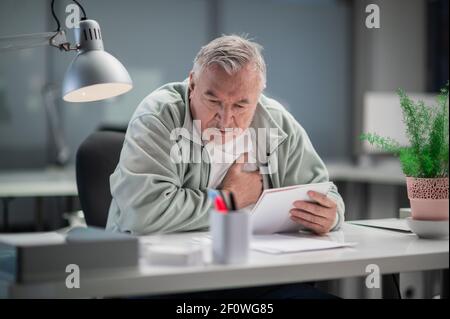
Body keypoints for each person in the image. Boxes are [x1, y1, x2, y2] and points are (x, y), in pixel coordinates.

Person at [106, 35, 345, 298]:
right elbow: (144, 213)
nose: (225, 119)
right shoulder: (158, 116)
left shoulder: (277, 122)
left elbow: (326, 195)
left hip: (258, 274)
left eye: (242, 105)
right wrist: (228, 199)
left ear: (259, 96)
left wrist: (329, 216)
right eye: (213, 101)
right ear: (192, 84)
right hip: (164, 278)